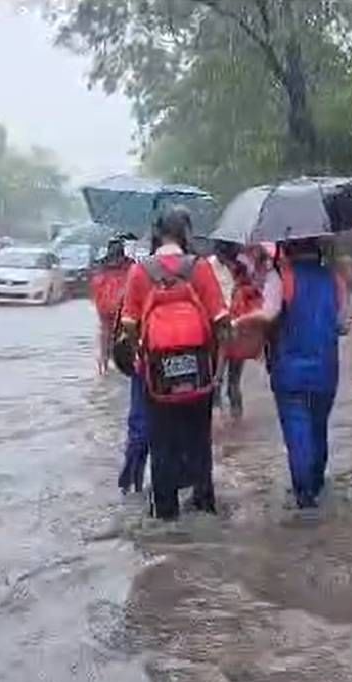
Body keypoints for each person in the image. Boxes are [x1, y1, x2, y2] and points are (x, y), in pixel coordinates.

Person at [118, 208, 228, 520]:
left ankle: (165, 511)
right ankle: (204, 503)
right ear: (186, 234)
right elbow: (221, 321)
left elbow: (129, 322)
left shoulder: (140, 272)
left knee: (161, 442)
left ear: (156, 234)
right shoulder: (201, 268)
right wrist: (218, 370)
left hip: (156, 374)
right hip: (198, 370)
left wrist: (141, 349)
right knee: (199, 439)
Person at [236, 235, 345, 508]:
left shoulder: (280, 278)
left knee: (297, 432)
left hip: (290, 369)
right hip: (326, 369)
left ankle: (304, 498)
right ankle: (317, 487)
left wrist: (239, 321)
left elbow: (269, 314)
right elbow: (343, 325)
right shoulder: (334, 279)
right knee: (318, 429)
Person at [91, 233, 147, 494]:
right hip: (140, 350)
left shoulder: (103, 278)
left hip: (124, 351)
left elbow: (103, 326)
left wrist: (102, 358)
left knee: (132, 416)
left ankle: (130, 479)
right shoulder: (136, 272)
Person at [210, 238, 269, 419]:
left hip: (229, 327)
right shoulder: (241, 265)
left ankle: (228, 427)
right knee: (222, 383)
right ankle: (232, 424)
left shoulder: (211, 266)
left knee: (224, 382)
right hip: (227, 327)